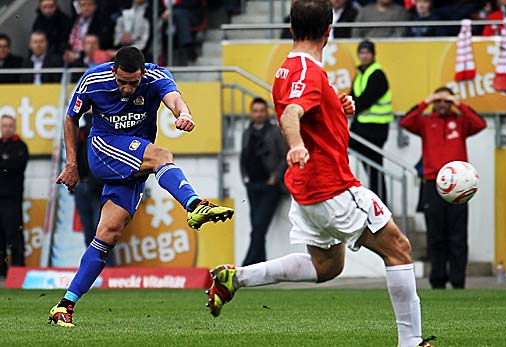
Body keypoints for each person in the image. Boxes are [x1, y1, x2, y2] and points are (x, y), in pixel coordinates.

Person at [205, 2, 435, 346]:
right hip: (332, 184)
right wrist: (296, 145)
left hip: (307, 189)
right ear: (330, 31)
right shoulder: (308, 72)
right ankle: (411, 342)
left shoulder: (288, 68)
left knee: (327, 266)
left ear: (291, 28)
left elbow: (303, 107)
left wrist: (335, 106)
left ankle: (234, 278)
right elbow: (291, 115)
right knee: (399, 249)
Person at [48, 46, 234, 327]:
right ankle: (194, 205)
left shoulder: (157, 78)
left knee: (108, 233)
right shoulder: (93, 80)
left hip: (132, 164)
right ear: (113, 71)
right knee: (161, 156)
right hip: (104, 148)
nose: (126, 88)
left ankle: (64, 305)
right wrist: (72, 163)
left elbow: (174, 99)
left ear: (143, 73)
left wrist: (184, 114)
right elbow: (71, 117)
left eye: (132, 83)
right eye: (121, 81)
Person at [399, 87, 486, 289]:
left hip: (460, 188)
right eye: (439, 101)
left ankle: (458, 281)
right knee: (435, 236)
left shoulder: (462, 121)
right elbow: (405, 121)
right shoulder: (426, 121)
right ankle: (437, 280)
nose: (442, 105)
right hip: (433, 185)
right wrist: (426, 100)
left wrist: (459, 103)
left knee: (458, 236)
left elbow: (480, 123)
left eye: (446, 101)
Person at [240, 97, 287, 266]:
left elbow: (284, 156)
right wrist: (245, 178)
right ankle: (260, 264)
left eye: (261, 111)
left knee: (259, 226)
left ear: (266, 113)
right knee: (256, 227)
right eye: (255, 111)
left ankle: (247, 264)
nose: (258, 114)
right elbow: (243, 156)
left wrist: (275, 178)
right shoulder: (247, 132)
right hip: (252, 185)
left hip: (270, 187)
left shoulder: (274, 132)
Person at [348, 40, 393, 206]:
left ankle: (381, 203)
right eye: (362, 52)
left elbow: (365, 100)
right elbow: (352, 97)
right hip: (362, 127)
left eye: (367, 52)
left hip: (375, 129)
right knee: (372, 167)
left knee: (375, 168)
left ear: (373, 55)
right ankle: (378, 202)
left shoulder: (377, 74)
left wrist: (350, 106)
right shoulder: (361, 74)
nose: (364, 55)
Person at [0, 115, 29, 277]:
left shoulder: (20, 146)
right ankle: (2, 272)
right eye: (4, 126)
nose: (7, 129)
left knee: (14, 235)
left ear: (15, 127)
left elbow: (15, 165)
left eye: (10, 125)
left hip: (12, 199)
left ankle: (18, 271)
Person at [74, 112, 104, 249]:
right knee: (90, 232)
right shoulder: (80, 133)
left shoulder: (105, 130)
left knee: (102, 232)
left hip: (99, 187)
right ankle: (92, 266)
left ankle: (106, 267)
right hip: (84, 186)